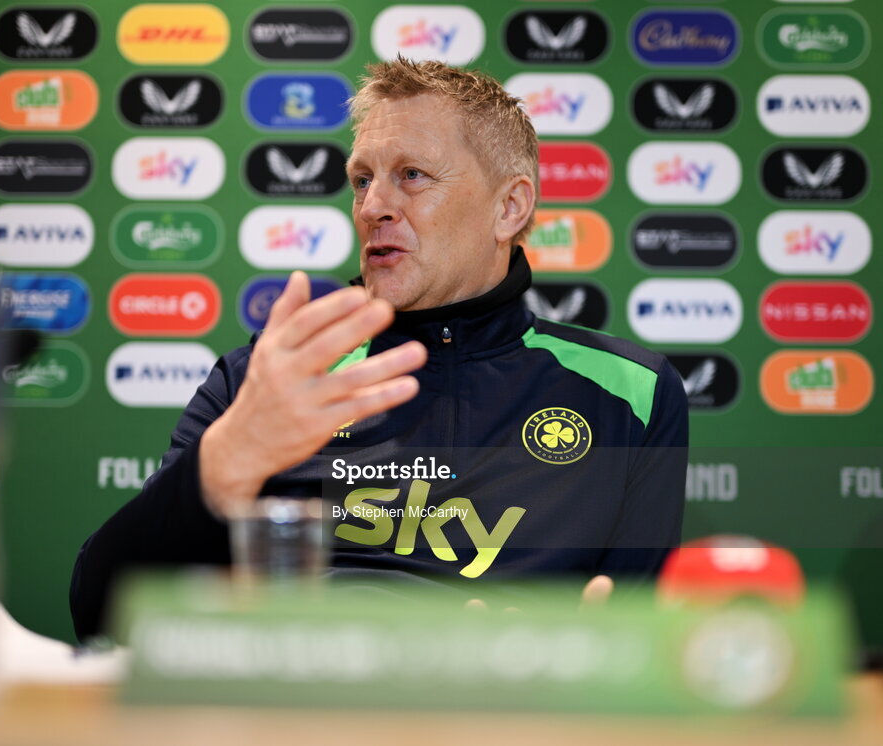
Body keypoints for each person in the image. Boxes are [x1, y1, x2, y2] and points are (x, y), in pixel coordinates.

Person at [70, 59, 688, 642]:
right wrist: (224, 463)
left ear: (510, 206)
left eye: (411, 176)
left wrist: (550, 657)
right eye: (361, 180)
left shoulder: (629, 394)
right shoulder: (271, 376)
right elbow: (100, 614)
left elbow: (627, 642)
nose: (372, 208)